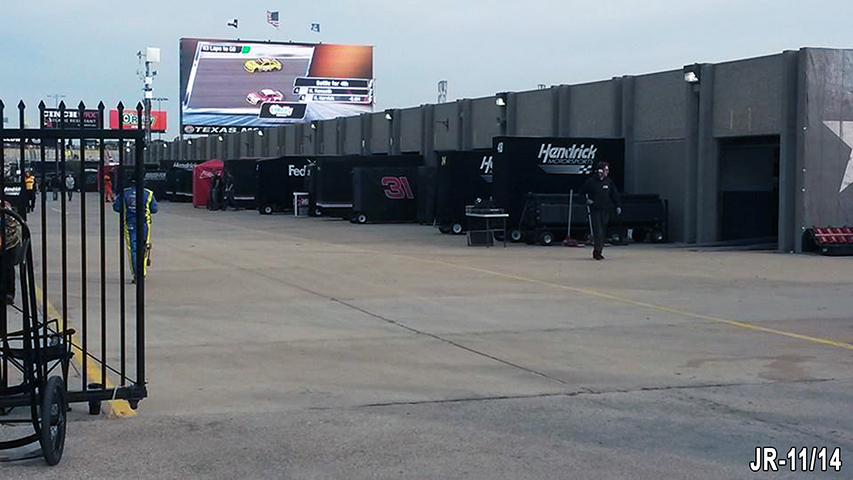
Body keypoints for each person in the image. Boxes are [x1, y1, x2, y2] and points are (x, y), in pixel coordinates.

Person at [113, 179, 158, 283]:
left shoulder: (124, 193)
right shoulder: (148, 193)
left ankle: (136, 274)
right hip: (144, 224)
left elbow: (116, 207)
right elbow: (154, 209)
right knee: (143, 248)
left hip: (129, 223)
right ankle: (142, 273)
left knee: (132, 249)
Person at [581, 161, 622, 260]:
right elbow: (581, 192)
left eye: (607, 170)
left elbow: (614, 194)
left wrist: (618, 206)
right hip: (595, 210)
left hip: (605, 210)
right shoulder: (592, 182)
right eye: (605, 170)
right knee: (598, 231)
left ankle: (599, 251)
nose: (607, 172)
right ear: (600, 171)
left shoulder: (609, 182)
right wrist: (586, 201)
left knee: (603, 231)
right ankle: (597, 252)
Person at [1, 200, 22, 304]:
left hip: (8, 244)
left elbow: (12, 226)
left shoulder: (5, 207)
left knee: (7, 267)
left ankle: (8, 294)